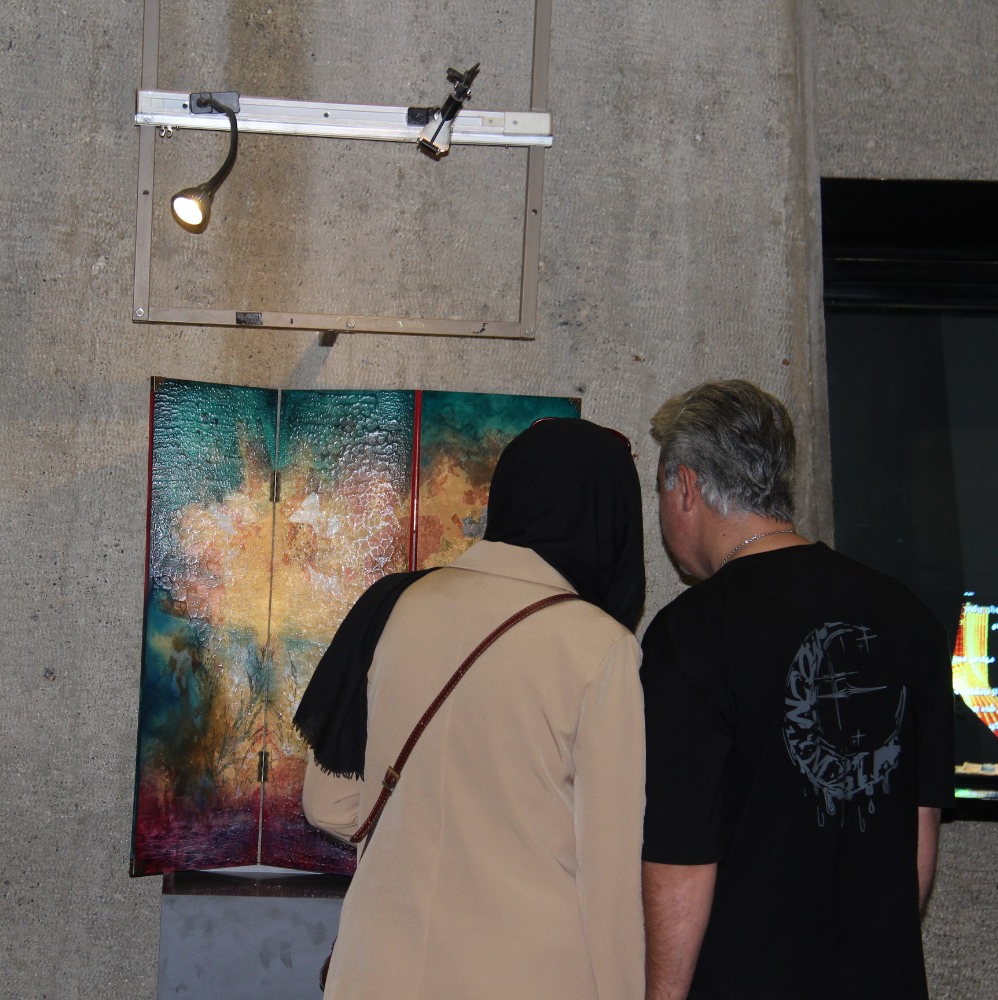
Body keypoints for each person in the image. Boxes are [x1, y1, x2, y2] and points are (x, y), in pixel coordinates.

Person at [295, 417, 648, 1000]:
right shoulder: (601, 648)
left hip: (380, 969)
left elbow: (327, 803)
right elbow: (609, 885)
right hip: (528, 976)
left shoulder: (394, 605)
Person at [639, 380, 954, 1000]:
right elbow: (918, 843)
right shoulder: (909, 618)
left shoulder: (692, 634)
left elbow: (681, 859)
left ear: (686, 486)